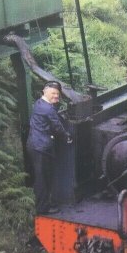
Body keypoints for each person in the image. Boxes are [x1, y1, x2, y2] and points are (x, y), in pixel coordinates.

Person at [27, 81, 72, 214]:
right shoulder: (47, 108)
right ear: (45, 91)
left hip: (35, 144)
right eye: (53, 93)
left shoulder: (38, 103)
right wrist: (67, 136)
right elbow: (57, 127)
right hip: (41, 147)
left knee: (42, 177)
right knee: (42, 178)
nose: (56, 96)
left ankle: (46, 204)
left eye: (58, 94)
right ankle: (43, 209)